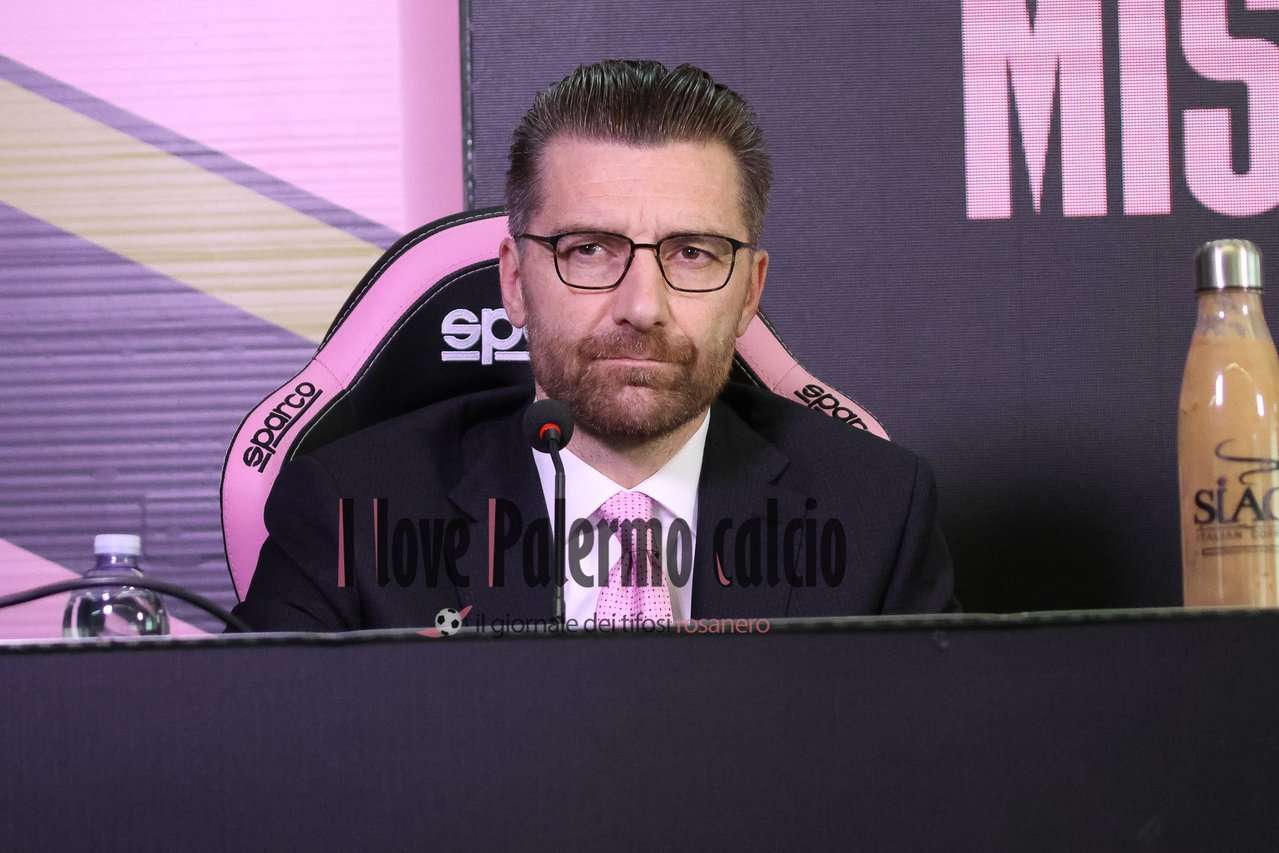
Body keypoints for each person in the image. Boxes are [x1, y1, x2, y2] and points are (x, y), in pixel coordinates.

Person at [231, 59, 957, 632]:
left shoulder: (876, 512)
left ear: (749, 292)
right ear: (514, 282)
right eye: (588, 250)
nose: (641, 307)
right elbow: (250, 758)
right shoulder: (350, 514)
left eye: (692, 253)